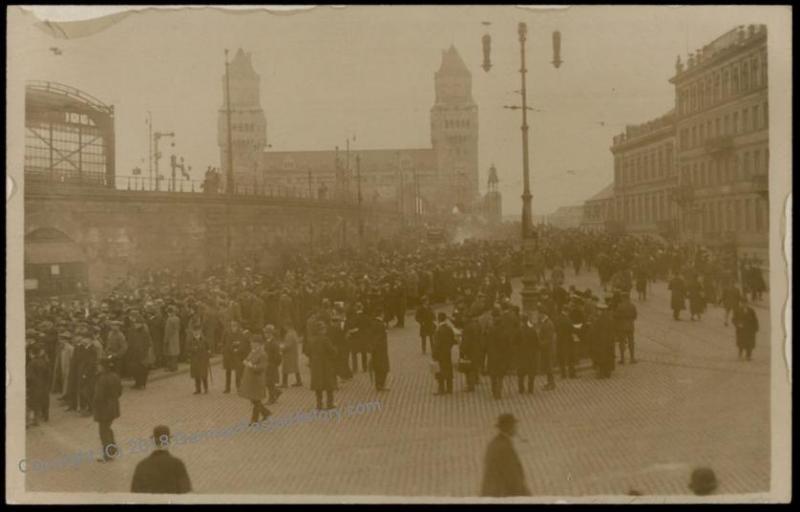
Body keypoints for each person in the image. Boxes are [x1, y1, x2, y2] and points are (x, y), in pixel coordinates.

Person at [480, 413, 531, 497]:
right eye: (514, 426)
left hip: (491, 490)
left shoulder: (494, 443)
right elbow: (511, 474)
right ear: (509, 427)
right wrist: (523, 493)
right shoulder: (505, 447)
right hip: (501, 492)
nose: (516, 428)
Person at [131, 425, 192, 494]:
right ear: (169, 441)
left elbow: (134, 493)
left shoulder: (141, 465)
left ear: (153, 441)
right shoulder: (178, 464)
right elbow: (186, 492)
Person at [303, 313, 337, 410]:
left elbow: (307, 352)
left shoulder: (311, 340)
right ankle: (330, 404)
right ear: (322, 330)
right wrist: (335, 350)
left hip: (315, 366)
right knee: (329, 385)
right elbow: (332, 351)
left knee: (318, 386)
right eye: (324, 329)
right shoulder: (325, 339)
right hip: (326, 365)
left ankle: (319, 404)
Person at [93, 356, 122, 463]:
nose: (98, 367)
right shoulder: (115, 376)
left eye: (99, 365)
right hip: (113, 406)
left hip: (104, 408)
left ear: (103, 367)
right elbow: (120, 392)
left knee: (103, 432)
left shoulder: (102, 379)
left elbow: (98, 396)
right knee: (108, 429)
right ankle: (112, 450)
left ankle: (108, 454)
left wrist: (95, 407)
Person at [239, 335, 271, 425]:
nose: (251, 344)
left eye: (253, 343)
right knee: (254, 400)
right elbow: (247, 359)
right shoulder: (253, 352)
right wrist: (245, 361)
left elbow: (262, 367)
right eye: (251, 343)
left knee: (256, 400)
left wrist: (252, 366)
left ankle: (254, 420)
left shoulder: (263, 354)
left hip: (257, 380)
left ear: (258, 344)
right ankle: (266, 413)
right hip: (251, 381)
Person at [26, 343, 51, 426]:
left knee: (32, 403)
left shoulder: (31, 363)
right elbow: (48, 374)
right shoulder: (45, 361)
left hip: (34, 386)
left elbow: (29, 377)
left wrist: (27, 386)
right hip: (44, 385)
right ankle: (44, 417)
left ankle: (32, 421)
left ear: (32, 353)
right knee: (43, 401)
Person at [432, 312, 456, 395]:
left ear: (438, 319)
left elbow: (436, 344)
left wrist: (434, 355)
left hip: (440, 354)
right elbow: (453, 340)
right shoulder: (449, 329)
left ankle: (441, 389)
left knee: (440, 371)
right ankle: (450, 389)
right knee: (448, 370)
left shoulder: (438, 330)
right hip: (447, 353)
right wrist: (448, 347)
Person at [367, 308, 390, 391]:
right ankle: (381, 385)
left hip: (375, 350)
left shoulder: (373, 323)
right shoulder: (381, 324)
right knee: (384, 368)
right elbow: (379, 338)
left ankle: (378, 384)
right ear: (381, 314)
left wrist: (371, 349)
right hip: (381, 349)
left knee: (377, 367)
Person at [222, 320, 248, 393]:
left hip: (237, 355)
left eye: (235, 325)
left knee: (238, 372)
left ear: (238, 325)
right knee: (228, 372)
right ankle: (227, 388)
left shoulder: (241, 334)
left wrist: (237, 349)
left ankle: (239, 387)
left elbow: (242, 344)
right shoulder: (226, 332)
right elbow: (224, 342)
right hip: (228, 355)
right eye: (232, 325)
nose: (233, 327)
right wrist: (225, 350)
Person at [515, 314, 538, 394]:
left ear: (521, 321)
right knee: (531, 372)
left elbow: (515, 343)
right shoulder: (532, 330)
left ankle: (521, 388)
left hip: (521, 355)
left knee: (521, 373)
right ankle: (530, 388)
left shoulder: (519, 330)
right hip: (531, 354)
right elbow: (536, 343)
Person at [613, 293, 638, 365]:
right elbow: (635, 316)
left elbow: (616, 316)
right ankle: (632, 358)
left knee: (622, 342)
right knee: (631, 342)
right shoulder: (633, 306)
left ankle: (622, 359)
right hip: (630, 326)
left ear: (623, 298)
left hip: (622, 327)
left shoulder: (620, 306)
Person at [263, 325, 283, 404]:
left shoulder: (274, 343)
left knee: (270, 382)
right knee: (268, 382)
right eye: (265, 332)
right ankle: (277, 392)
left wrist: (274, 364)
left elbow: (278, 356)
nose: (265, 334)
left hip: (271, 365)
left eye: (266, 333)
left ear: (270, 333)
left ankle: (271, 398)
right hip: (267, 365)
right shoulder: (267, 342)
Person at [187, 324, 210, 394]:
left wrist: (208, 354)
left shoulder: (204, 339)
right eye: (194, 331)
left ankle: (206, 388)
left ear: (200, 331)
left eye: (197, 331)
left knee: (204, 374)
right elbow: (187, 348)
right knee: (196, 374)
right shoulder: (191, 340)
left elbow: (208, 348)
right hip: (195, 360)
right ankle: (198, 389)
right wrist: (193, 349)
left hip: (203, 360)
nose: (196, 333)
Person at [163, 306, 181, 371]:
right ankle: (175, 366)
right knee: (175, 352)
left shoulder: (169, 319)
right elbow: (179, 328)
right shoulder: (177, 318)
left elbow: (168, 330)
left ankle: (172, 367)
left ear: (169, 312)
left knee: (170, 353)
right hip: (176, 337)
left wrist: (166, 339)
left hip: (170, 338)